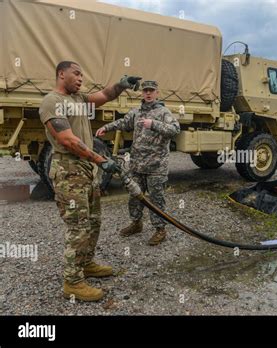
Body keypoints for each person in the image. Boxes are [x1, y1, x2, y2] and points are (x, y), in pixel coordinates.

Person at [39, 60, 141, 302]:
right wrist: (101, 159)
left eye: (82, 75)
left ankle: (86, 264)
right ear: (61, 74)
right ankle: (72, 282)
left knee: (94, 221)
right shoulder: (52, 102)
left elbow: (104, 95)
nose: (80, 78)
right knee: (78, 226)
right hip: (68, 171)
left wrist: (121, 85)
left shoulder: (79, 100)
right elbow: (68, 141)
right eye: (76, 74)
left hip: (85, 171)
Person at [96, 80, 180, 245]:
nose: (148, 93)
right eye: (145, 91)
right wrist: (107, 127)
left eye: (151, 91)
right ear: (142, 93)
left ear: (157, 93)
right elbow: (123, 123)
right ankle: (136, 223)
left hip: (156, 166)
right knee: (135, 197)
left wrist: (153, 124)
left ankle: (160, 229)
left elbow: (175, 130)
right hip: (137, 165)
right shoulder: (136, 112)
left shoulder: (163, 112)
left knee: (156, 199)